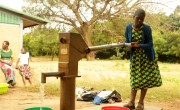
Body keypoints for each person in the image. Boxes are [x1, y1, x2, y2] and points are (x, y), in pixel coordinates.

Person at [123, 9, 162, 110]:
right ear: (133, 17)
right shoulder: (128, 27)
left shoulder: (147, 28)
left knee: (144, 81)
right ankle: (131, 103)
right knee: (134, 80)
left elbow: (150, 44)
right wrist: (125, 44)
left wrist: (139, 45)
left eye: (142, 19)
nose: (139, 21)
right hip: (135, 58)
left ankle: (141, 103)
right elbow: (127, 42)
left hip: (146, 58)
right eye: (137, 18)